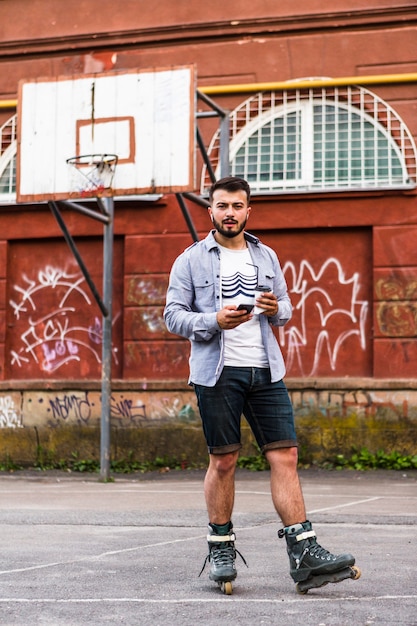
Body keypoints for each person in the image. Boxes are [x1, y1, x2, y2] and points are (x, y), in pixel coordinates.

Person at [164, 176, 356, 591]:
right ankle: (220, 546)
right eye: (222, 206)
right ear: (210, 211)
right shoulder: (191, 260)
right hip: (218, 373)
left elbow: (285, 307)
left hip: (266, 369)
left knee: (285, 455)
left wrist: (274, 308)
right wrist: (212, 321)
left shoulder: (266, 255)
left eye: (237, 206)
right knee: (224, 460)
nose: (229, 213)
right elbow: (173, 315)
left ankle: (304, 552)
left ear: (248, 211)